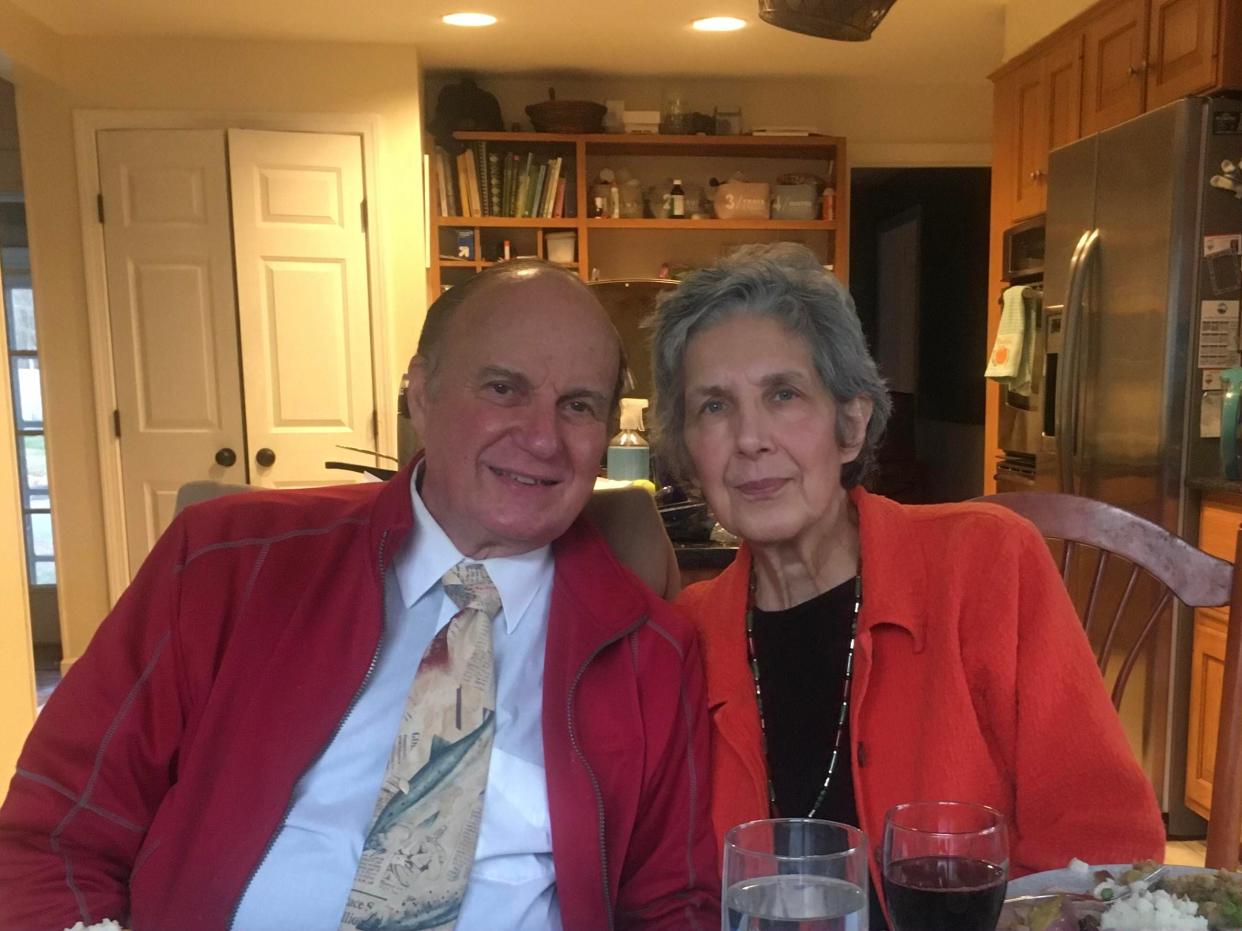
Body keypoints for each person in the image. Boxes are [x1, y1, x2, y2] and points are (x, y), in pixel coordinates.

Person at [0, 260, 719, 931]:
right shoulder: (227, 563)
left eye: (579, 406)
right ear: (420, 391)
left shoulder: (652, 652)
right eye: (503, 387)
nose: (541, 436)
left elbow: (670, 904)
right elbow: (54, 833)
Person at [647, 243, 1165, 926]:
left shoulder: (984, 563)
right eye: (713, 406)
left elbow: (1102, 841)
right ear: (686, 451)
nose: (750, 438)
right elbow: (672, 889)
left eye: (784, 394)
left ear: (851, 423)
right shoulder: (689, 632)